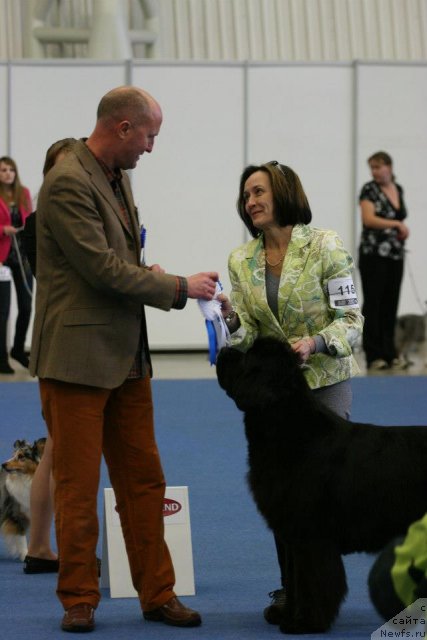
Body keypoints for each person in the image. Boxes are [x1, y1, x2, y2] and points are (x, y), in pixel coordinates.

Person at [29, 85, 219, 633]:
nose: (152, 148)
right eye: (151, 135)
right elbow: (103, 271)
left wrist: (152, 274)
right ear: (123, 128)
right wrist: (179, 286)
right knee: (77, 485)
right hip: (76, 360)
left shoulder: (116, 176)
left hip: (126, 356)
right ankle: (78, 599)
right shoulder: (67, 181)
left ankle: (158, 593)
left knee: (144, 481)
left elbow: (121, 259)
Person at [218, 160, 363, 625]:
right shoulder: (241, 260)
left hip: (323, 384)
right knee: (283, 494)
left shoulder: (326, 245)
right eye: (246, 196)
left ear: (283, 193)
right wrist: (231, 318)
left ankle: (319, 593)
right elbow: (246, 339)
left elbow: (352, 322)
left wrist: (316, 342)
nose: (251, 202)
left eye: (258, 192)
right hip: (274, 400)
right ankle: (294, 588)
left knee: (322, 497)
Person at [21, 138, 77, 574]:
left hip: (59, 344)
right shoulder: (47, 221)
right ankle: (40, 547)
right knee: (57, 453)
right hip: (62, 347)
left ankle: (41, 545)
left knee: (58, 452)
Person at [358, 151, 409, 371]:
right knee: (374, 303)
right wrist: (397, 225)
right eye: (372, 168)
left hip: (395, 255)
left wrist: (400, 232)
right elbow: (368, 219)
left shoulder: (398, 189)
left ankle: (390, 352)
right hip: (373, 255)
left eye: (378, 167)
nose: (375, 172)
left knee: (391, 302)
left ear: (389, 166)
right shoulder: (369, 190)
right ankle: (373, 354)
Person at [0, 156, 32, 374]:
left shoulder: (25, 193)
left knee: (27, 305)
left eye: (11, 169)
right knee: (2, 312)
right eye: (3, 170)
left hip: (23, 258)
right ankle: (1, 357)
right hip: (2, 259)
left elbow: (30, 219)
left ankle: (19, 349)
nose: (8, 173)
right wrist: (3, 229)